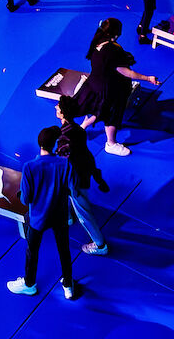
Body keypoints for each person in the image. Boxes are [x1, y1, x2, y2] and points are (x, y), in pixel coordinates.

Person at [7, 126, 78, 300]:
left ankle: (29, 284)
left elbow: (26, 199)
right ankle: (68, 285)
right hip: (60, 215)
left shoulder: (30, 167)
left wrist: (21, 194)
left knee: (32, 251)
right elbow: (73, 190)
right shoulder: (65, 164)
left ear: (39, 144)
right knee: (64, 250)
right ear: (54, 144)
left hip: (38, 218)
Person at [74, 17, 162, 156]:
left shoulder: (97, 41)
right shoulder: (112, 50)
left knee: (97, 109)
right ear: (114, 33)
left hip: (94, 82)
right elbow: (127, 72)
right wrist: (148, 78)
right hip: (109, 89)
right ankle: (111, 144)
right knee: (112, 115)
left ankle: (83, 126)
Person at [54, 95, 110, 256]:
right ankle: (67, 217)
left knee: (83, 212)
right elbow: (86, 154)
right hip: (82, 172)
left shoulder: (63, 136)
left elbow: (62, 161)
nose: (55, 107)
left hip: (74, 179)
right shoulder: (78, 130)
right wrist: (97, 177)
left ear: (63, 113)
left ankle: (100, 245)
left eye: (58, 106)